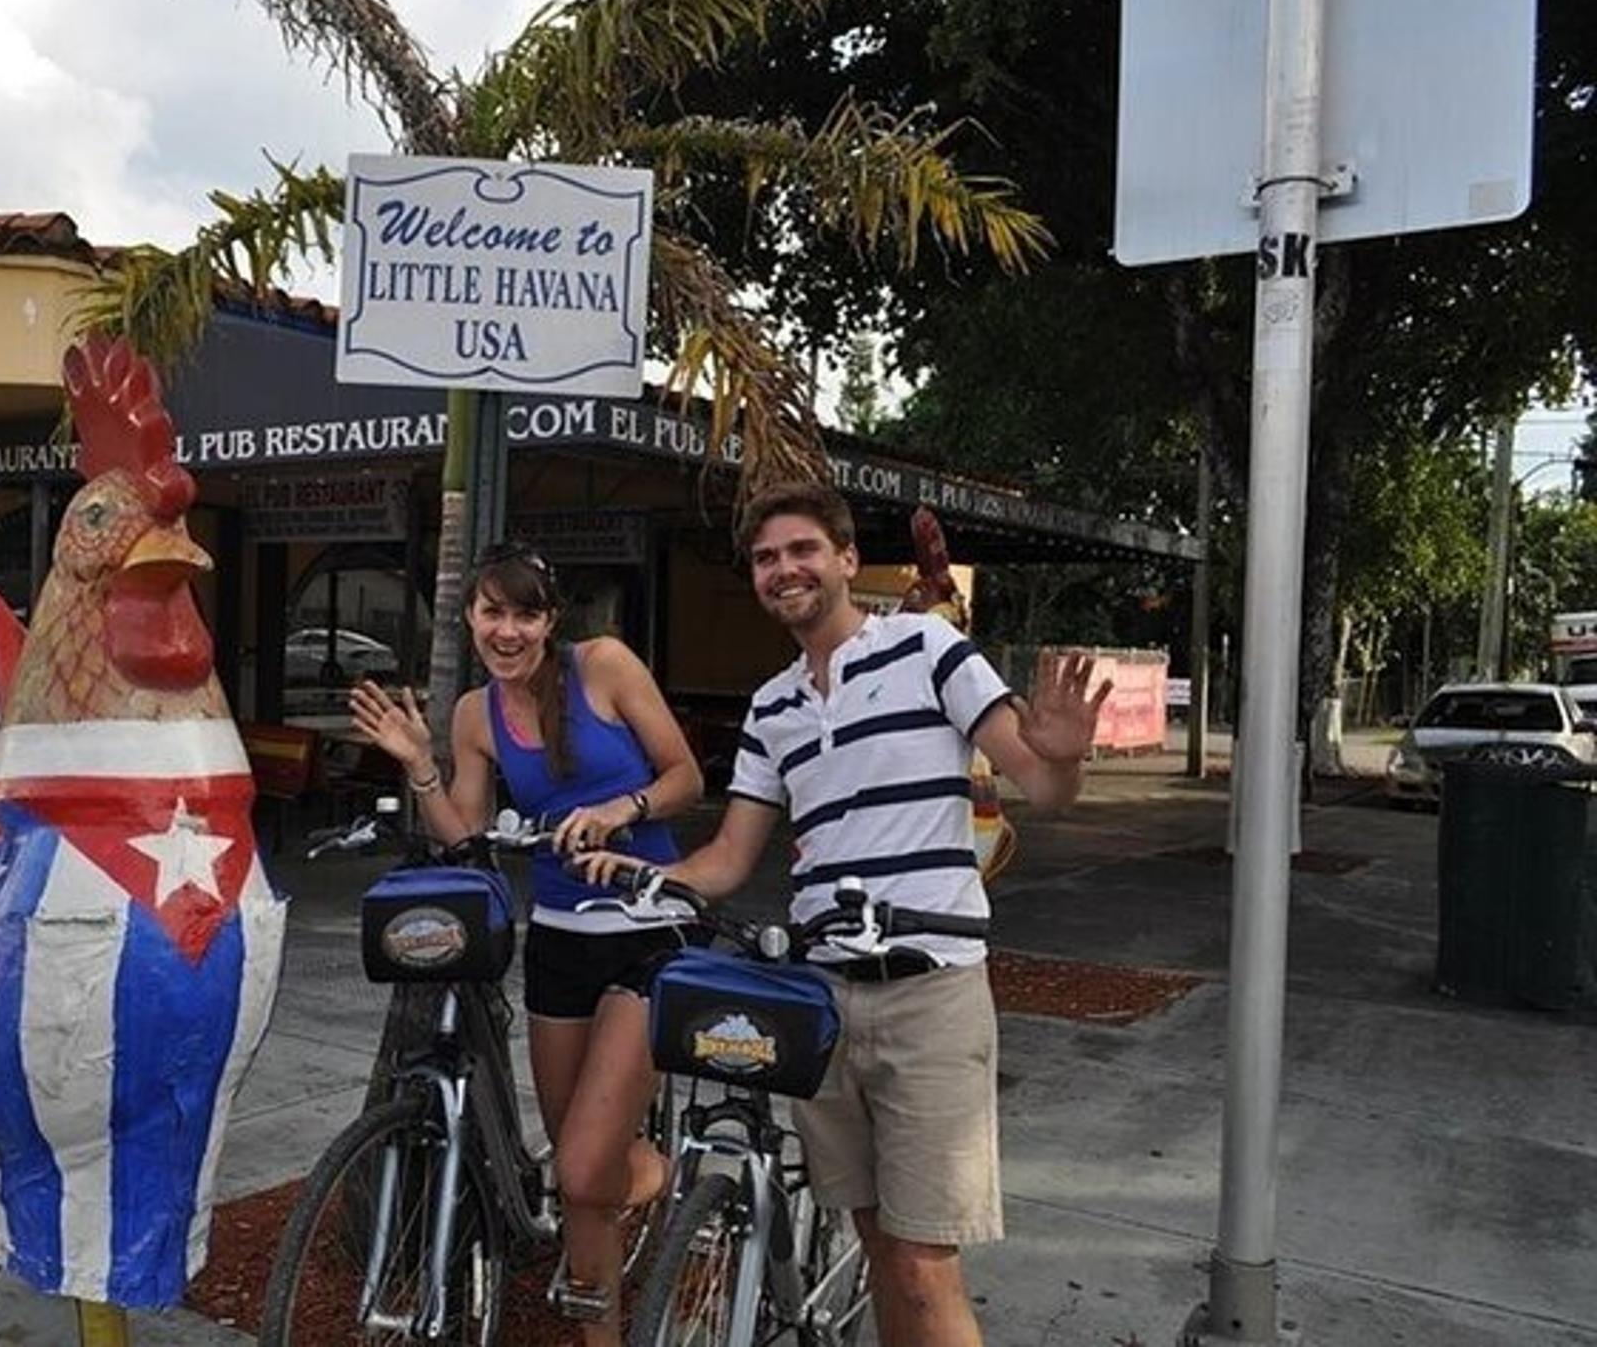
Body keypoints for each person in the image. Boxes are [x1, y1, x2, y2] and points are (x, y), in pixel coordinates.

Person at [577, 484, 1109, 1347]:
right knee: (874, 1243)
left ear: (848, 560)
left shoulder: (931, 648)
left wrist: (1066, 752)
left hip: (929, 994)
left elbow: (1042, 786)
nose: (784, 569)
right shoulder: (772, 708)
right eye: (765, 558)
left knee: (925, 1265)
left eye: (802, 550)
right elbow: (731, 857)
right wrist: (647, 870)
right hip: (822, 997)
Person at [347, 541, 704, 1346]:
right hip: (558, 938)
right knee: (579, 1166)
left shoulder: (604, 665)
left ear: (550, 620)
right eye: (492, 611)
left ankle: (664, 1173)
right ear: (470, 615)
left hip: (649, 927)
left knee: (582, 1170)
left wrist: (622, 810)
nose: (507, 630)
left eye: (525, 613)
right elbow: (467, 836)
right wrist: (420, 767)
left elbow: (688, 775)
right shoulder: (476, 714)